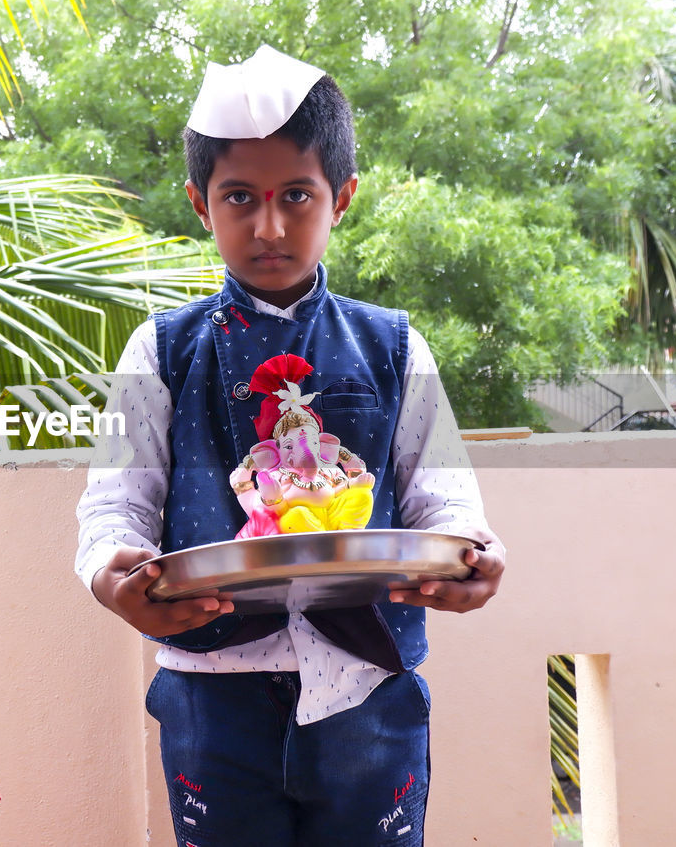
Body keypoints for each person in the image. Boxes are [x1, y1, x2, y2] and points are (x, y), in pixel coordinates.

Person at [75, 45, 505, 846]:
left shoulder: (396, 346)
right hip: (210, 692)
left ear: (340, 198)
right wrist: (112, 576)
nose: (268, 225)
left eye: (295, 196)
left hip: (367, 690)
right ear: (201, 204)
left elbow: (446, 499)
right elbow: (112, 506)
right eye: (240, 196)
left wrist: (474, 556)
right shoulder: (157, 350)